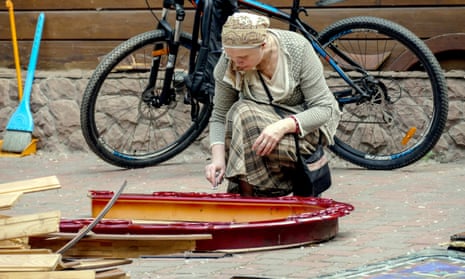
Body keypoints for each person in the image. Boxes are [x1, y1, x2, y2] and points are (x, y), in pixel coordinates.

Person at [204, 12, 341, 197]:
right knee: (240, 112)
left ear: (263, 44)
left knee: (244, 114)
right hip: (261, 134)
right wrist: (217, 160)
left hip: (303, 131)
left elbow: (324, 109)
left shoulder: (297, 48)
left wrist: (282, 126)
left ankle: (256, 198)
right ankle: (250, 201)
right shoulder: (229, 61)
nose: (236, 63)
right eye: (231, 56)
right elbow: (219, 115)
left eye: (243, 57)